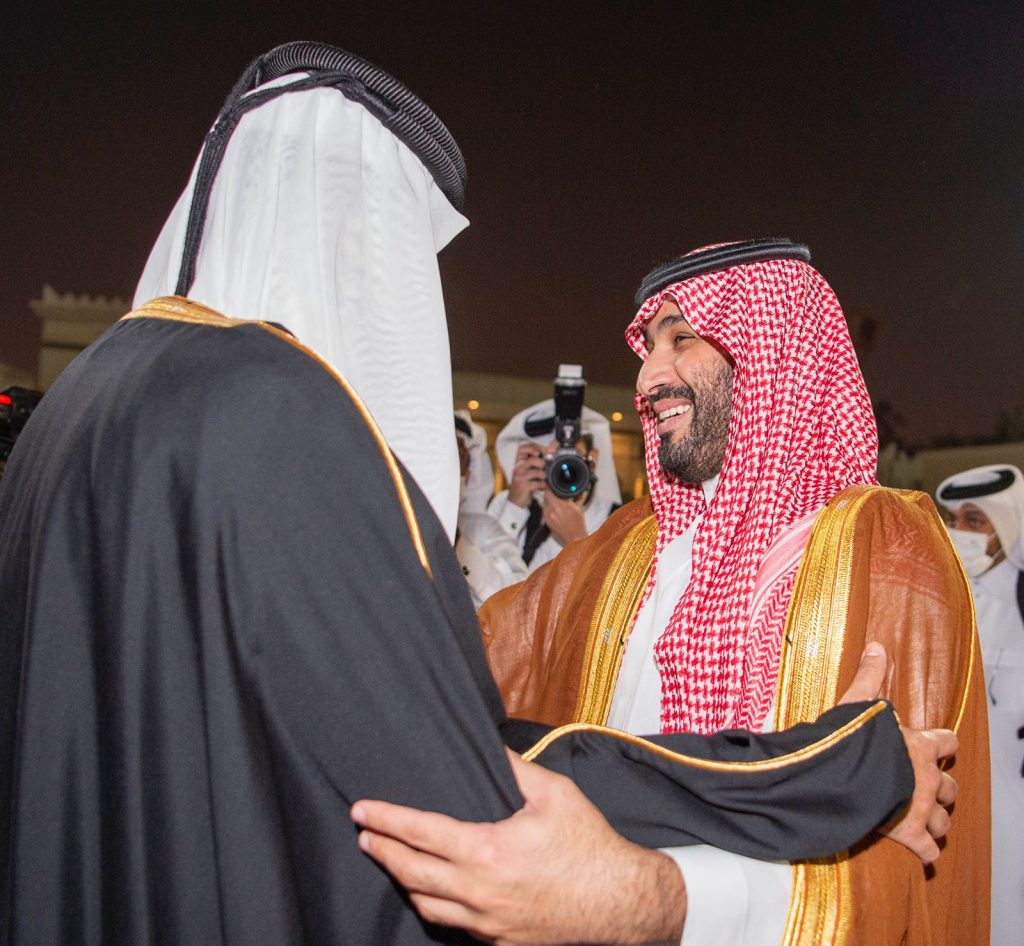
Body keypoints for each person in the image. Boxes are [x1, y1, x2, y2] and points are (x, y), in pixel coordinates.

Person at [0, 46, 932, 946]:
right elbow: (463, 770)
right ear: (353, 232)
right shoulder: (274, 410)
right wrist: (832, 772)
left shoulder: (72, 415)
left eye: (684, 340)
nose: (648, 378)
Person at [356, 240, 988, 945]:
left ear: (770, 354)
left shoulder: (886, 549)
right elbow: (449, 673)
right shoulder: (622, 549)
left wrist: (648, 900)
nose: (649, 376)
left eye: (682, 339)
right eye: (647, 349)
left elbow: (895, 866)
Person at [937, 464, 1024, 946]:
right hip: (959, 804)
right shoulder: (950, 595)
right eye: (953, 520)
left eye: (975, 520)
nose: (960, 533)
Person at [489, 400, 621, 571]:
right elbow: (484, 585)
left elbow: (620, 590)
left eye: (572, 456)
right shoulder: (505, 505)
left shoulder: (619, 520)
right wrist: (514, 507)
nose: (562, 468)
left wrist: (577, 539)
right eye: (553, 459)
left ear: (592, 458)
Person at [454, 412, 528, 606]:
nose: (449, 465)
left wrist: (459, 545)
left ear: (469, 473)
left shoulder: (482, 528)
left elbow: (518, 598)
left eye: (458, 457)